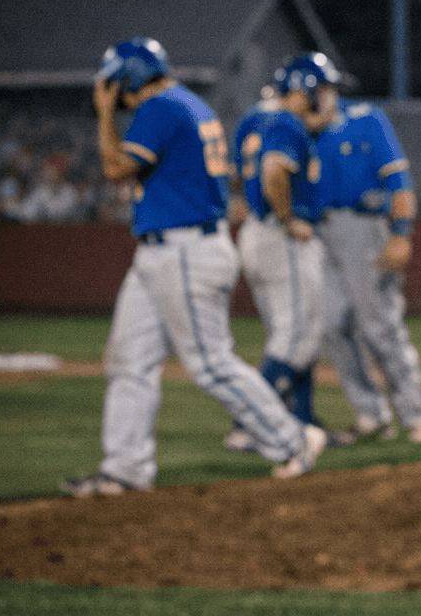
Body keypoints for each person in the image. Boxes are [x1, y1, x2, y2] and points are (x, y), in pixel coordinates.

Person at [64, 38, 323, 495]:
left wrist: (103, 114)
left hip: (185, 250)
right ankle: (125, 469)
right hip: (164, 249)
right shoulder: (186, 102)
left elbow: (114, 166)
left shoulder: (160, 107)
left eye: (114, 85)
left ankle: (293, 440)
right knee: (129, 361)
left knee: (209, 365)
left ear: (129, 78)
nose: (112, 95)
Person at [316, 91, 421, 445]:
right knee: (331, 324)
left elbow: (399, 180)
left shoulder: (365, 119)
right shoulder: (300, 128)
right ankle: (370, 413)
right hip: (318, 232)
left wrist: (402, 233)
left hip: (365, 227)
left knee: (379, 326)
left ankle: (415, 414)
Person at [226, 53, 336, 449]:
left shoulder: (255, 117)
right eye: (324, 89)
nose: (329, 98)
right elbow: (274, 172)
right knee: (296, 339)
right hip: (282, 234)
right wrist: (289, 218)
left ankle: (301, 421)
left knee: (289, 335)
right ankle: (247, 423)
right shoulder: (286, 122)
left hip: (257, 232)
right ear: (306, 90)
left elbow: (242, 173)